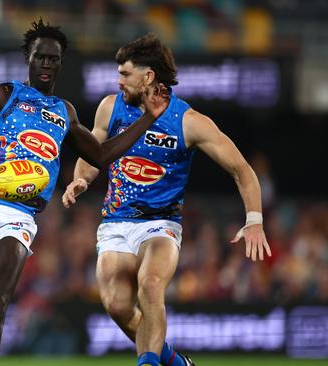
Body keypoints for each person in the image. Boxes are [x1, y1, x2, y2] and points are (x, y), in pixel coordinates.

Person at [0, 19, 168, 366]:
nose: (47, 64)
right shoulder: (3, 94)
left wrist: (149, 117)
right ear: (28, 57)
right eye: (41, 57)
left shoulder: (64, 112)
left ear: (60, 62)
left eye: (54, 59)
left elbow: (101, 155)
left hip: (18, 216)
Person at [61, 34, 272, 366]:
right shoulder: (109, 107)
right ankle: (172, 360)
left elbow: (242, 170)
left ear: (147, 77)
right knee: (117, 305)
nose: (119, 81)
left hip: (160, 224)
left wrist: (254, 220)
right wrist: (80, 180)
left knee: (150, 285)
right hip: (115, 222)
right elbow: (92, 151)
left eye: (125, 75)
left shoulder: (188, 121)